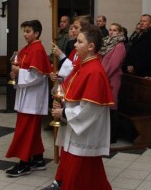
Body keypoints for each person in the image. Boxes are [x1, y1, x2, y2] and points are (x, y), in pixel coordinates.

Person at [44, 25, 114, 190]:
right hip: (76, 128)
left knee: (82, 169)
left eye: (79, 41)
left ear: (90, 47)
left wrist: (64, 113)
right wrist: (60, 99)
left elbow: (90, 109)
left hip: (85, 130)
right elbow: (69, 91)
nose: (75, 44)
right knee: (79, 167)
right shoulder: (82, 66)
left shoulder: (95, 72)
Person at [5, 20, 52, 177]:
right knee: (32, 131)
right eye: (24, 31)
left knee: (26, 131)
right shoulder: (27, 48)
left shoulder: (37, 49)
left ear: (37, 33)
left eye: (28, 31)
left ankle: (24, 164)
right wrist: (16, 73)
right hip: (27, 95)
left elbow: (37, 76)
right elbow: (23, 69)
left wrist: (19, 72)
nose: (25, 34)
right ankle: (38, 159)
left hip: (33, 97)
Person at [100, 22, 126, 143]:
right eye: (110, 30)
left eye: (115, 30)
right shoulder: (106, 43)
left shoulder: (119, 45)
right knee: (106, 105)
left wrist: (103, 76)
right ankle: (105, 133)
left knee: (112, 106)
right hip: (104, 77)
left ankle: (112, 136)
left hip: (112, 78)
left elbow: (114, 64)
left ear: (119, 32)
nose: (111, 32)